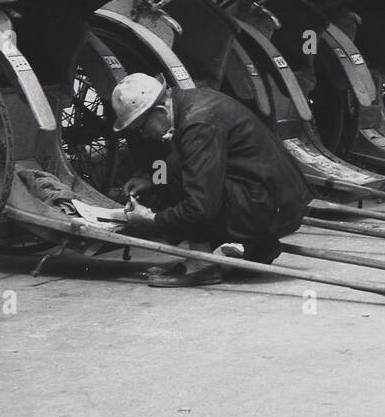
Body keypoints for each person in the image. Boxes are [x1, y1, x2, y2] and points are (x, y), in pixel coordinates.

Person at [111, 74, 313, 285]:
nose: (143, 134)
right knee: (173, 171)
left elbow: (199, 207)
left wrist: (152, 219)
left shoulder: (198, 124)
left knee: (174, 171)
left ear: (160, 111)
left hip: (271, 209)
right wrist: (152, 179)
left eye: (142, 126)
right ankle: (258, 245)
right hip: (278, 202)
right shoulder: (189, 102)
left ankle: (202, 265)